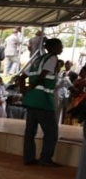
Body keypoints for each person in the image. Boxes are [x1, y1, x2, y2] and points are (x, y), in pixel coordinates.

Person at [19, 37, 63, 167]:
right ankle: (45, 159)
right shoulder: (53, 58)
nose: (62, 48)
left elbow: (22, 77)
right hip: (43, 100)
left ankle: (28, 158)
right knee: (51, 132)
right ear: (53, 47)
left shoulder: (38, 59)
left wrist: (24, 89)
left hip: (31, 99)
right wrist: (32, 86)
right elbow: (43, 75)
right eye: (60, 46)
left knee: (30, 131)